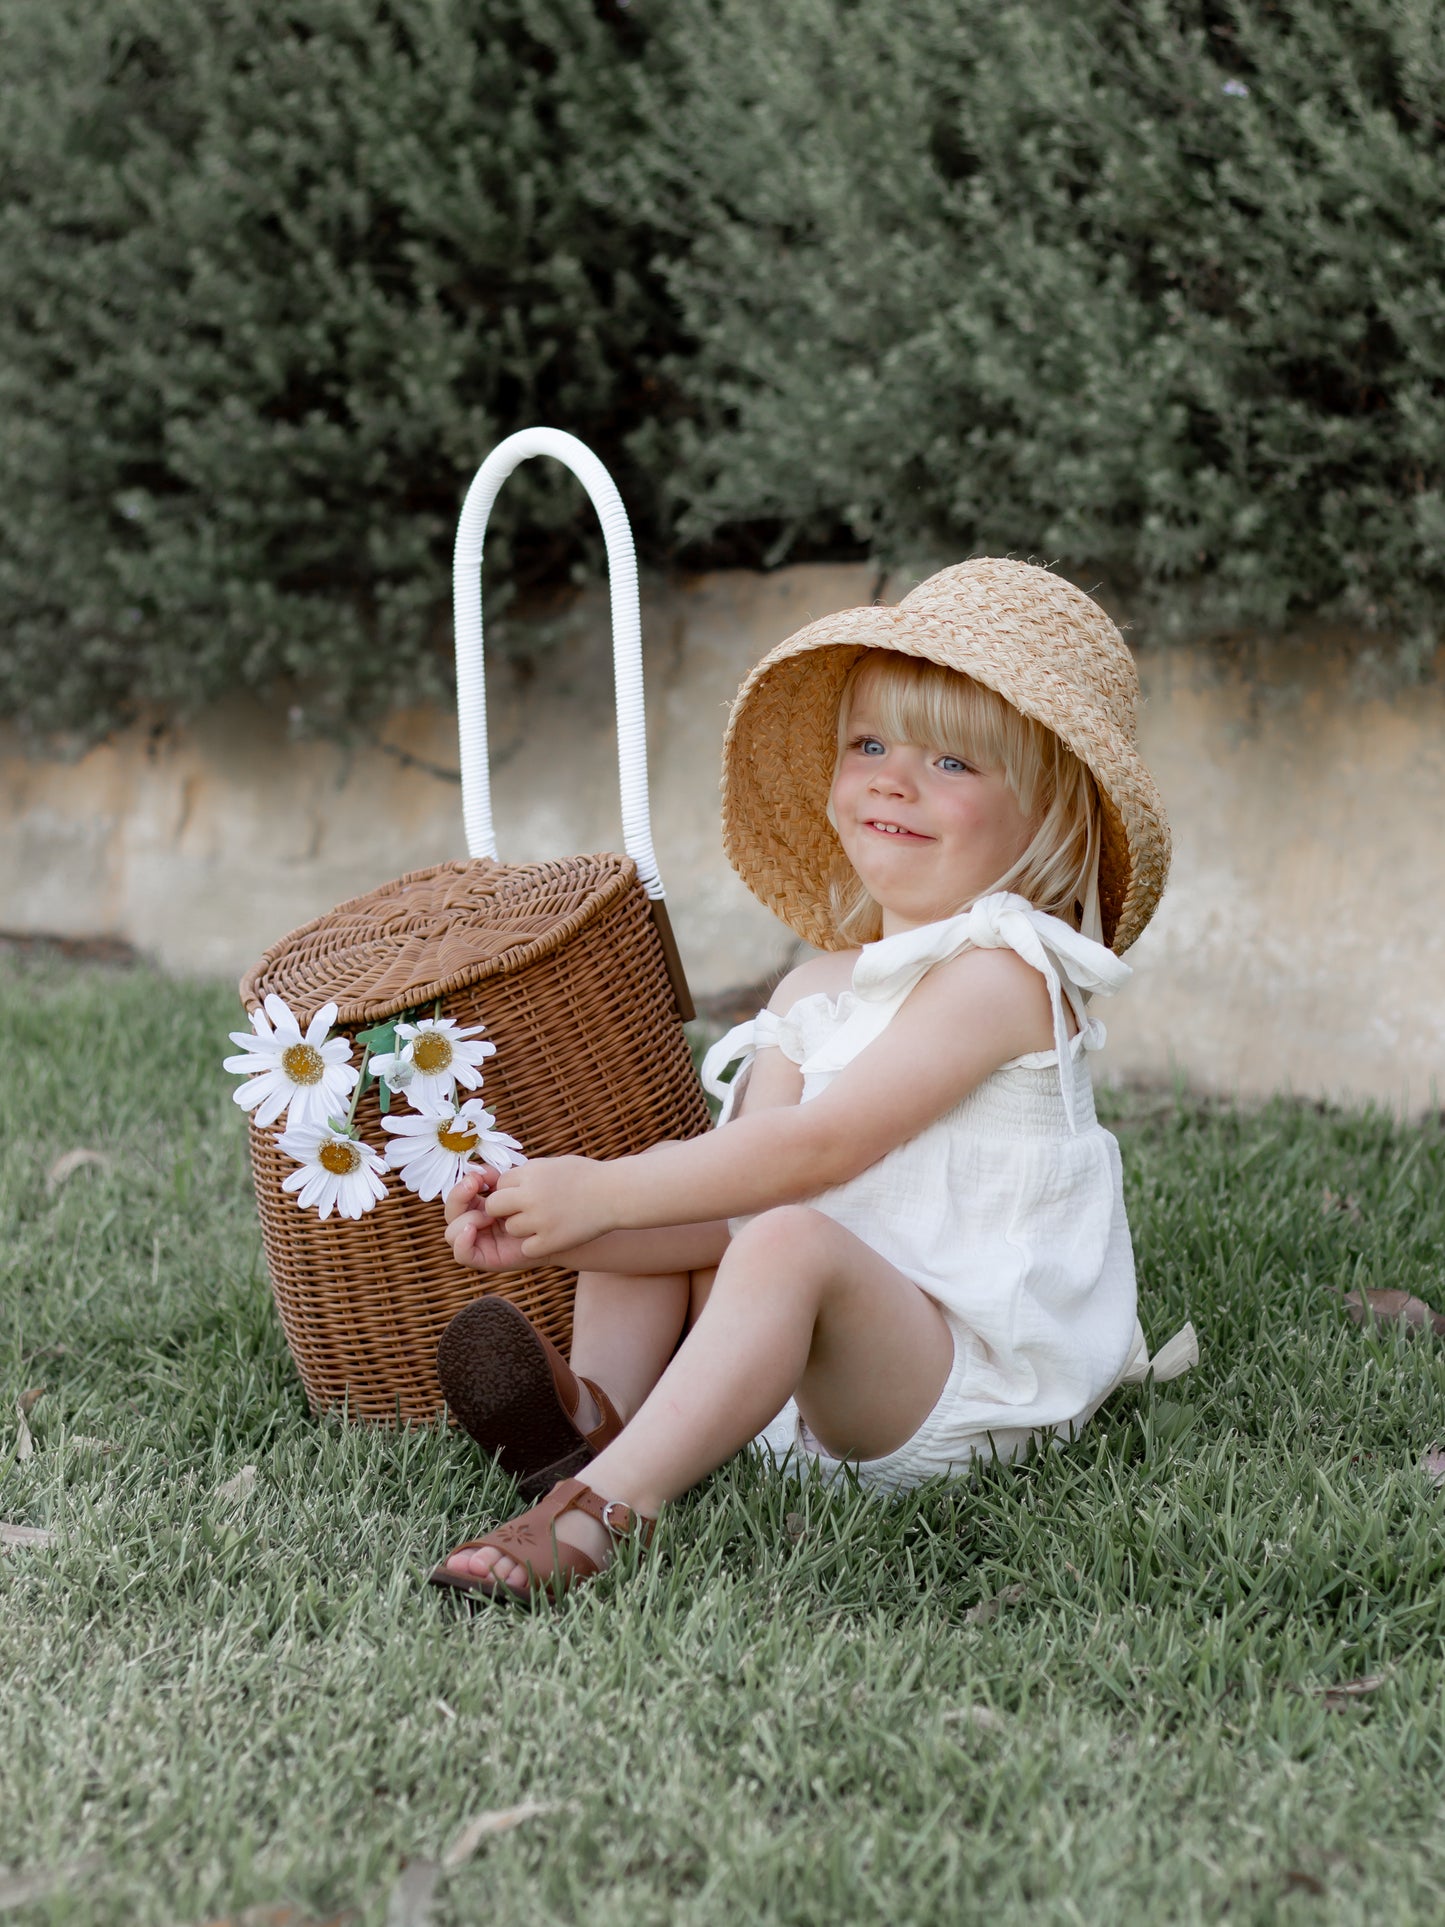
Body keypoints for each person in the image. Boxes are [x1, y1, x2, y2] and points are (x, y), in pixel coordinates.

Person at [428, 557, 1194, 1602]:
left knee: (749, 1221)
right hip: (818, 1371)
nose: (890, 778)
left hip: (958, 1382)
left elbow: (817, 1153)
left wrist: (607, 1190)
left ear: (1048, 812)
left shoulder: (1006, 975)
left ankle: (606, 1509)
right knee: (684, 1190)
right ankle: (592, 1418)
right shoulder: (810, 987)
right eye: (868, 745)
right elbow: (738, 1189)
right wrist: (572, 1223)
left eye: (951, 763)